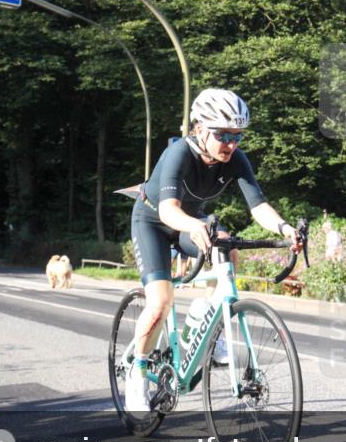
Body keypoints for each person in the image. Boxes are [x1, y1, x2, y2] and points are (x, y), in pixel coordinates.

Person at [127, 88, 301, 412]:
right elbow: (168, 211)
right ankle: (137, 374)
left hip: (190, 221)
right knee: (161, 302)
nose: (231, 144)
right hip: (154, 219)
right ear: (199, 128)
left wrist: (285, 228)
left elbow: (258, 206)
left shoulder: (236, 159)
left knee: (227, 248)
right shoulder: (179, 153)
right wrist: (194, 226)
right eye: (223, 135)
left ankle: (208, 316)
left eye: (237, 136)